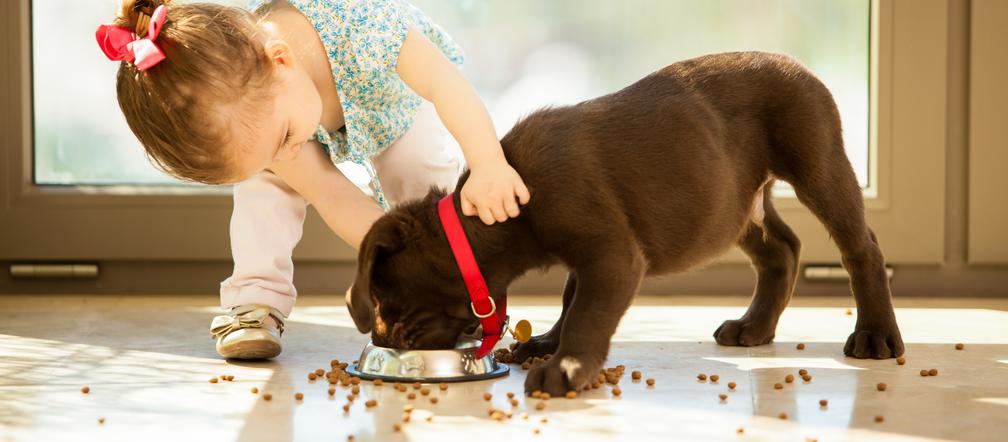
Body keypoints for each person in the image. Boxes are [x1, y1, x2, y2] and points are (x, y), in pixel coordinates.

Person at [96, 0, 530, 359]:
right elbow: (329, 191)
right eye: (270, 153)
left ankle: (444, 288)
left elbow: (445, 84)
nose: (286, 155)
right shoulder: (266, 116)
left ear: (281, 59)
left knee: (418, 169)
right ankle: (255, 298)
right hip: (294, 109)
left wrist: (488, 161)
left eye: (283, 139)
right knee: (263, 188)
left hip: (393, 105)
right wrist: (387, 260)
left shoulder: (364, 26)